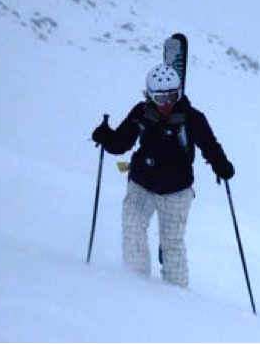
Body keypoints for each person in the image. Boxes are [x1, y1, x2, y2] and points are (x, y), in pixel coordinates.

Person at [91, 64, 235, 287]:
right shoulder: (141, 114)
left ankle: (176, 297)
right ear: (149, 95)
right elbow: (121, 143)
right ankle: (134, 285)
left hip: (177, 189)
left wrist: (221, 165)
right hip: (142, 182)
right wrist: (106, 137)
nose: (167, 103)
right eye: (160, 98)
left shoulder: (192, 118)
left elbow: (209, 145)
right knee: (132, 226)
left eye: (172, 96)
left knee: (172, 242)